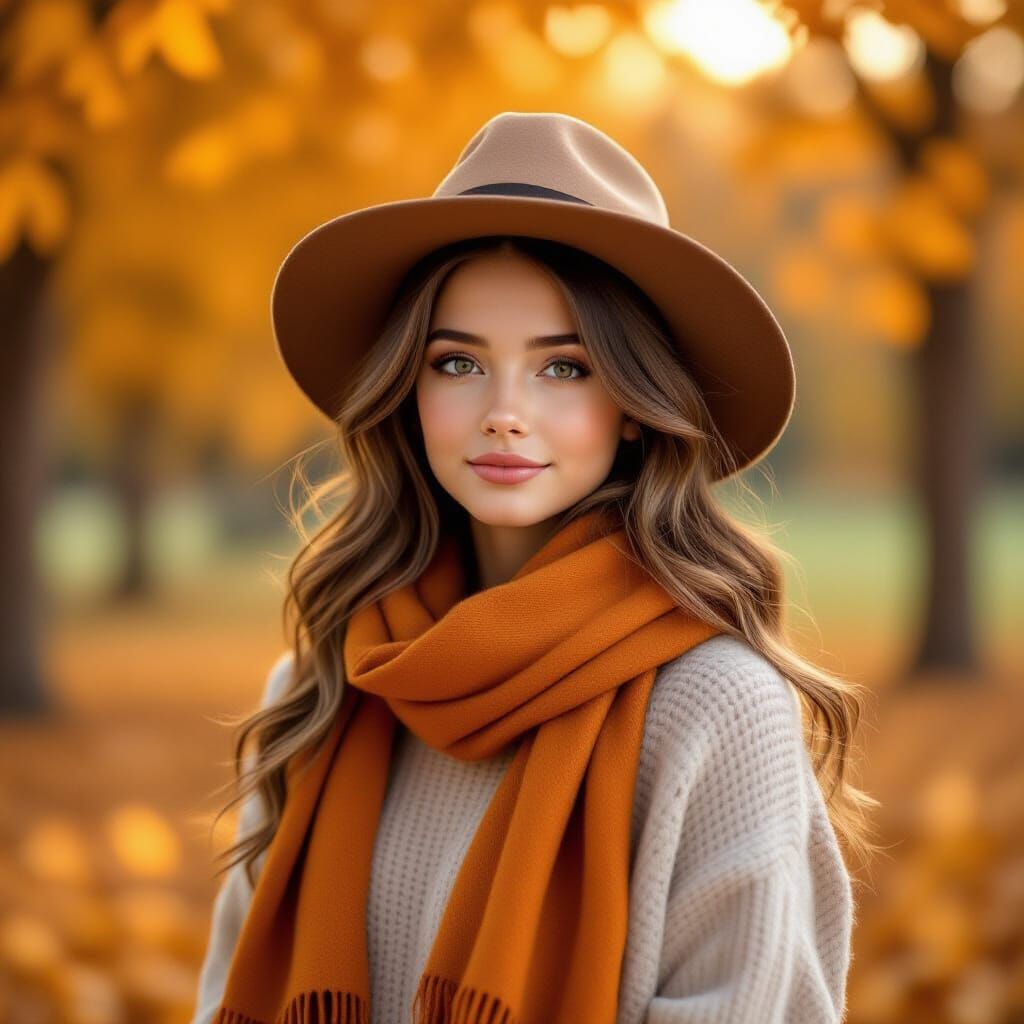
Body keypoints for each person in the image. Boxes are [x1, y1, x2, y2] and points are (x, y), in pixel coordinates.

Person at [190, 111, 878, 1024]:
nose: (504, 412)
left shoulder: (716, 708)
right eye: (457, 362)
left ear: (633, 403)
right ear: (407, 391)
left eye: (564, 369)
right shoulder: (324, 684)